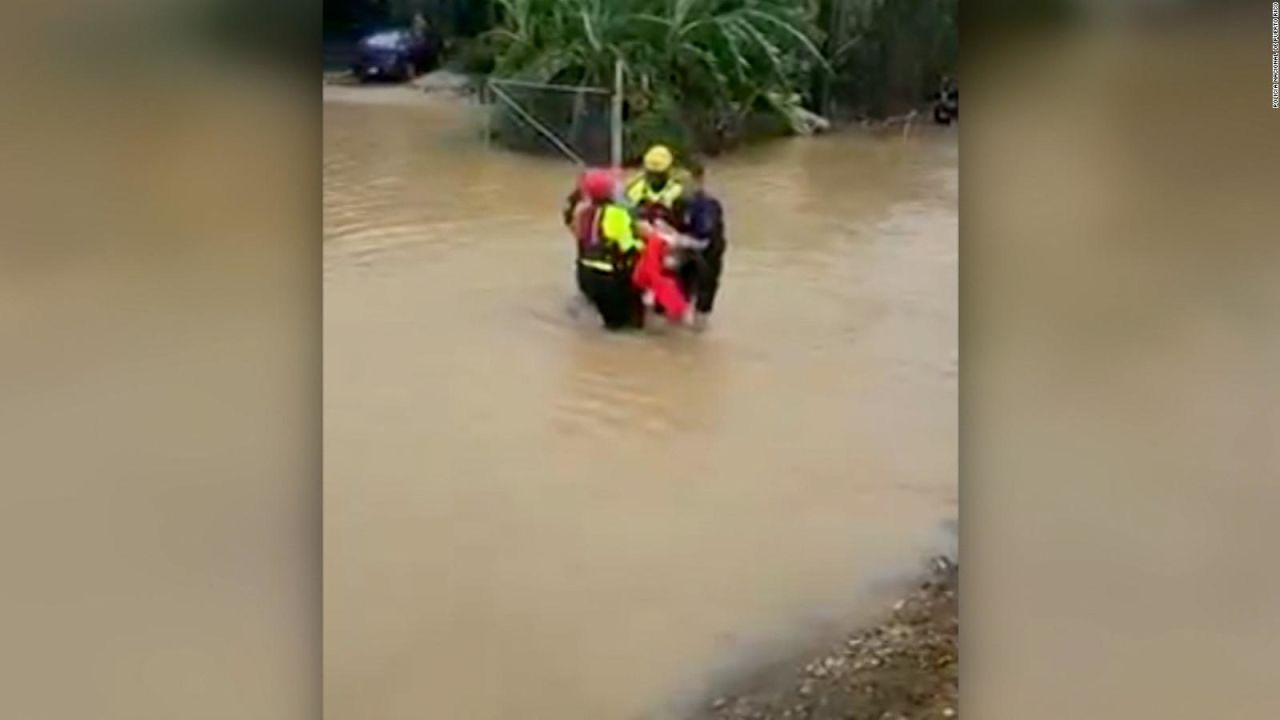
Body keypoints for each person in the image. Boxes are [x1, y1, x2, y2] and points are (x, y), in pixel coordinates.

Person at [570, 168, 646, 330]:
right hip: (610, 277)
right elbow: (628, 247)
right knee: (628, 327)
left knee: (608, 325)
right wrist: (646, 242)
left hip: (586, 274)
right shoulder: (616, 214)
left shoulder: (582, 212)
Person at [674, 159, 726, 326]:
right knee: (677, 302)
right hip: (685, 257)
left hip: (707, 260)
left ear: (698, 180)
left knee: (702, 307)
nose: (680, 186)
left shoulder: (708, 206)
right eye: (677, 181)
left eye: (684, 181)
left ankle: (699, 333)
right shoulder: (678, 203)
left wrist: (680, 241)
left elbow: (706, 239)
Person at [626, 145, 686, 226]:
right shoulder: (635, 188)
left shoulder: (678, 190)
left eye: (659, 175)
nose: (655, 178)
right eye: (652, 174)